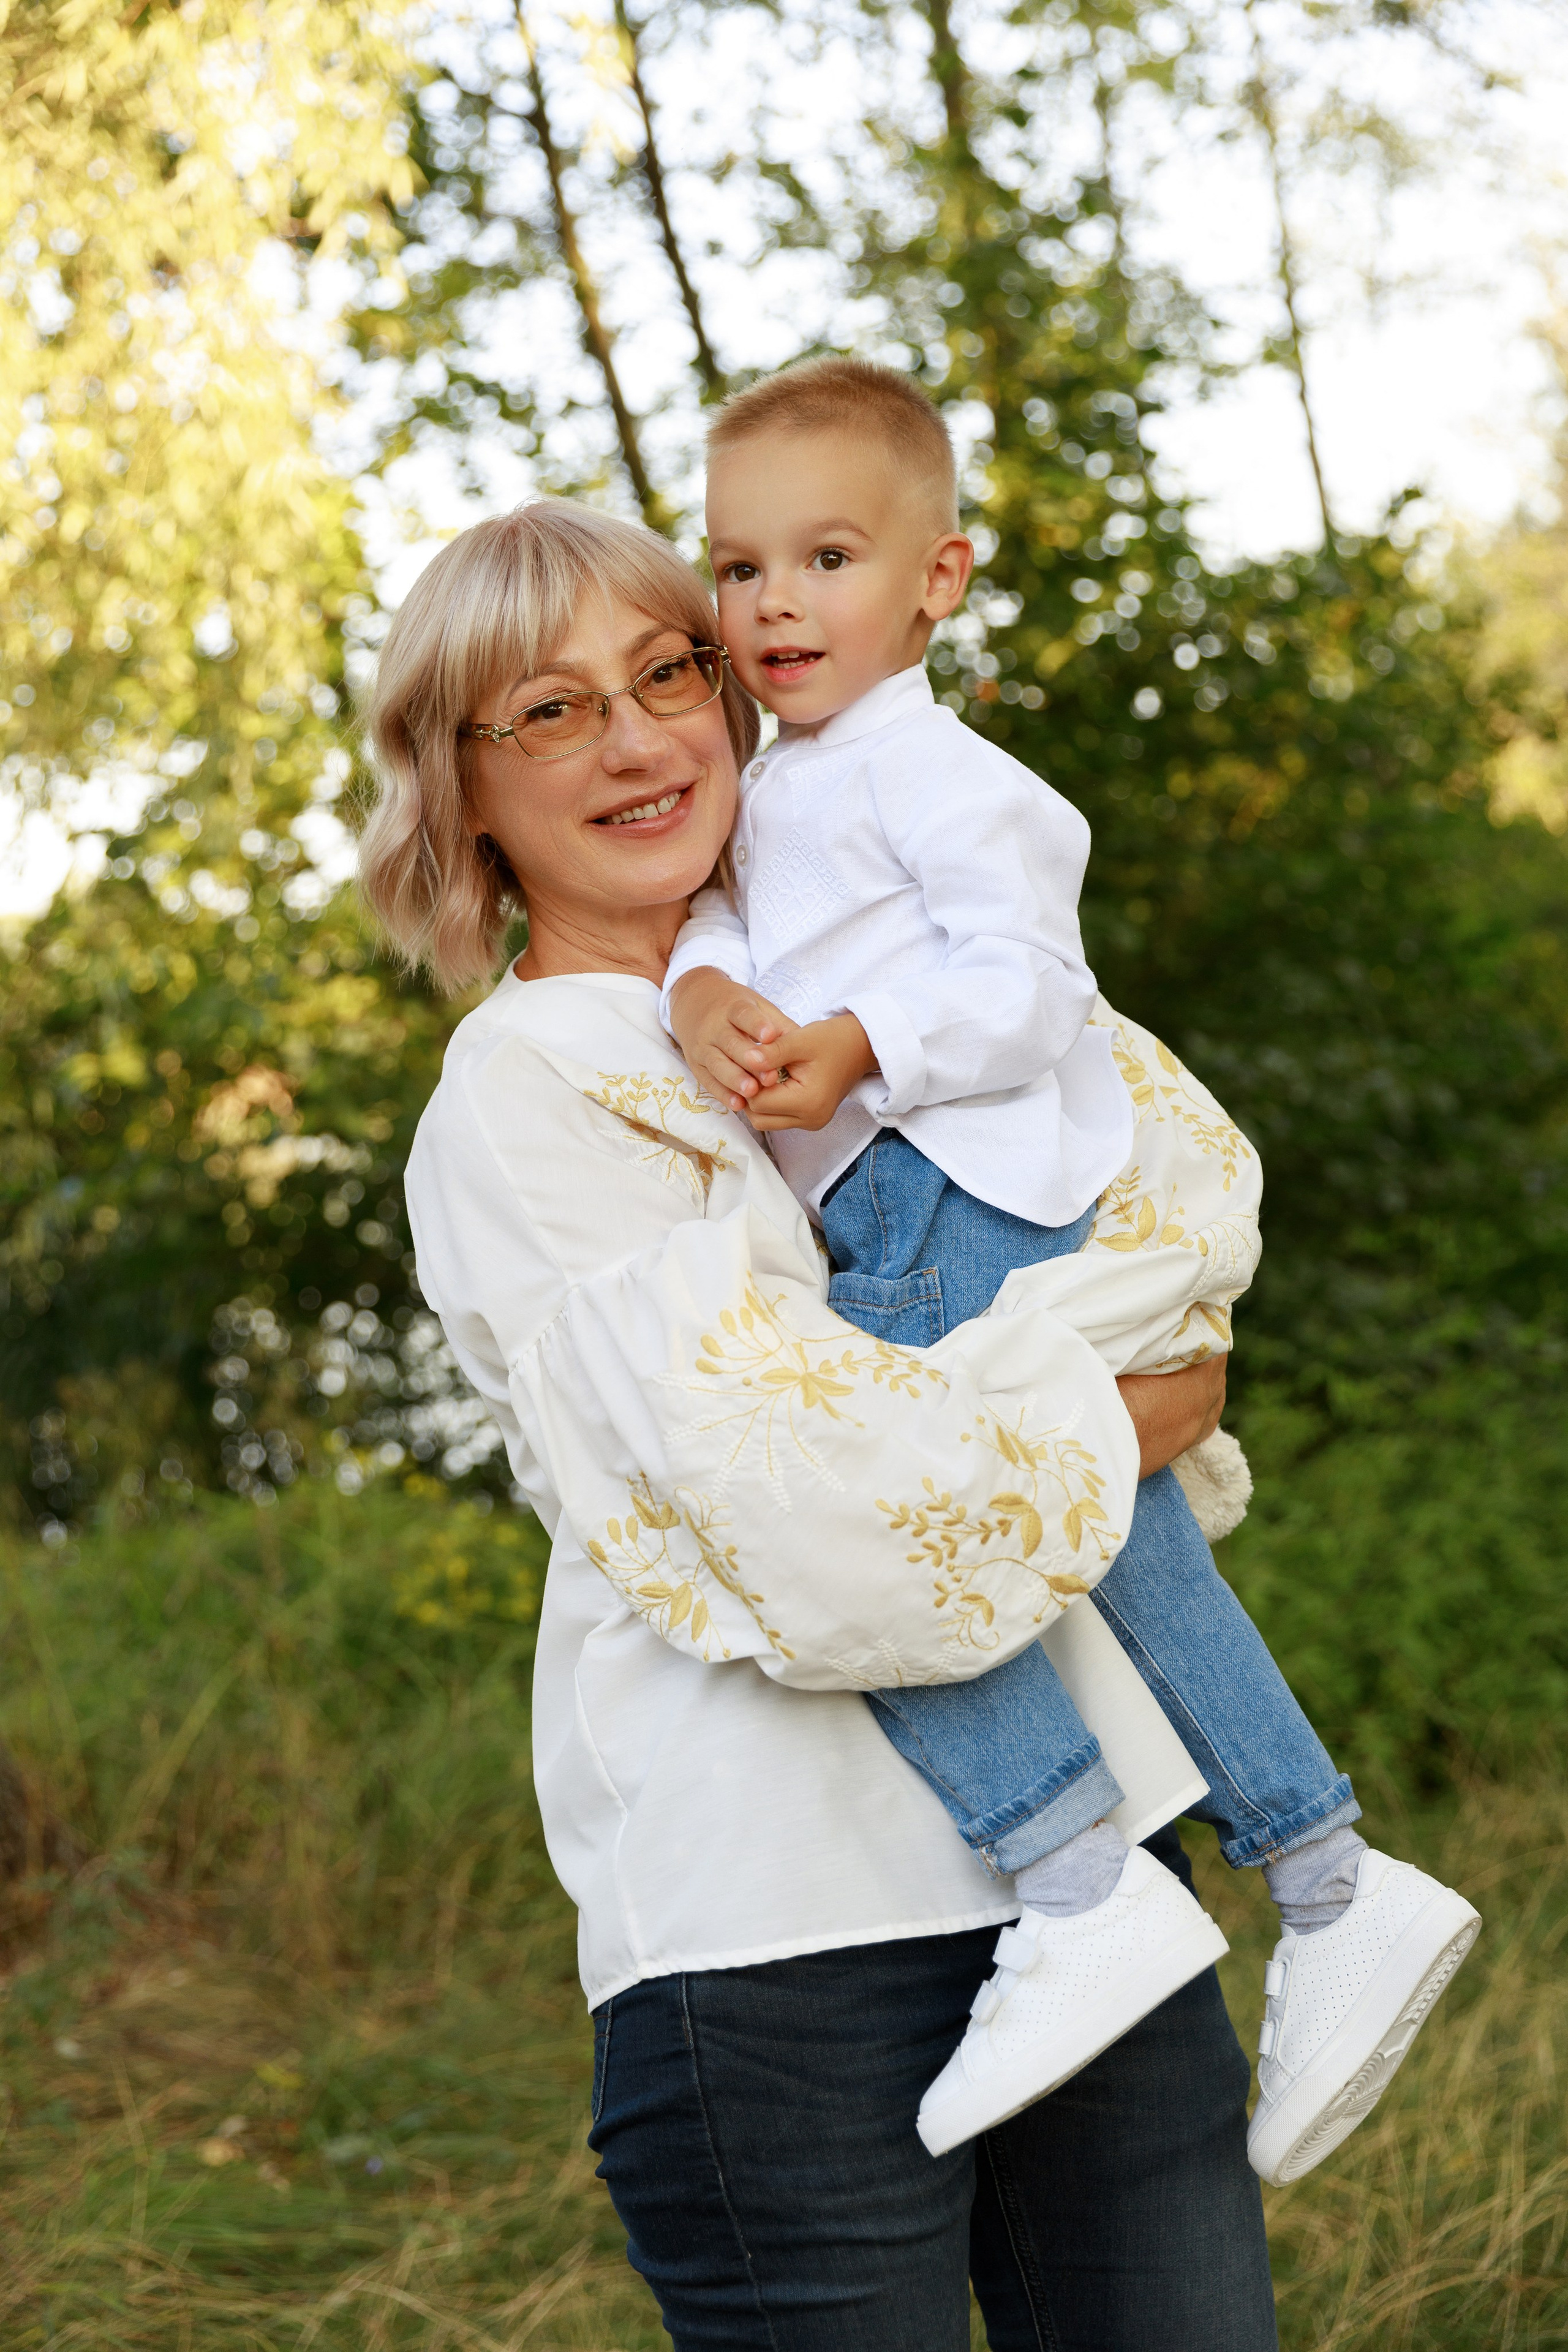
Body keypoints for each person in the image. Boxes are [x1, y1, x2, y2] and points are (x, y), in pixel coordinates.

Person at [361, 497, 1280, 2350]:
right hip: (779, 1940)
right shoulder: (526, 1099)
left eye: (667, 671)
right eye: (548, 712)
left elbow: (1157, 1207)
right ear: (455, 790)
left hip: (1101, 1875)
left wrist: (1100, 1377)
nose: (637, 741)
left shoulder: (875, 985)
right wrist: (1121, 1415)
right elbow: (811, 1506)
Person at [662, 355, 1480, 2178]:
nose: (774, 602)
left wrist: (861, 1039)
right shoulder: (788, 777)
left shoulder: (948, 777)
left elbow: (1029, 986)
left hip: (947, 1189)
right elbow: (723, 917)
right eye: (737, 568)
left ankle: (1069, 1864)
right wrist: (706, 985)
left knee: (861, 1516)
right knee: (1104, 1517)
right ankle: (1326, 1872)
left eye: (828, 557)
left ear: (938, 579)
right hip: (894, 1195)